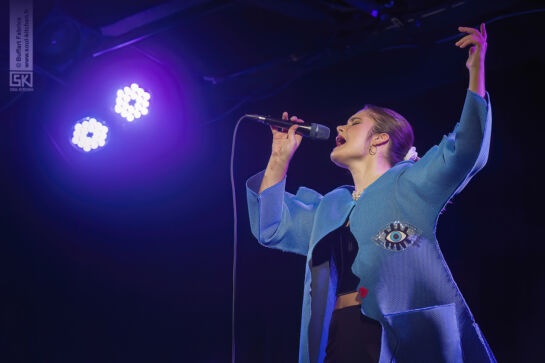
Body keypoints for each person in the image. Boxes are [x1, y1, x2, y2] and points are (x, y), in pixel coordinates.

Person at [246, 23, 495, 363]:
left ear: (379, 139)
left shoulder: (408, 184)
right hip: (337, 334)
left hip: (399, 337)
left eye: (354, 122)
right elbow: (269, 226)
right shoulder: (331, 207)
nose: (339, 127)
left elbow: (465, 150)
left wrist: (476, 72)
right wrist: (279, 156)